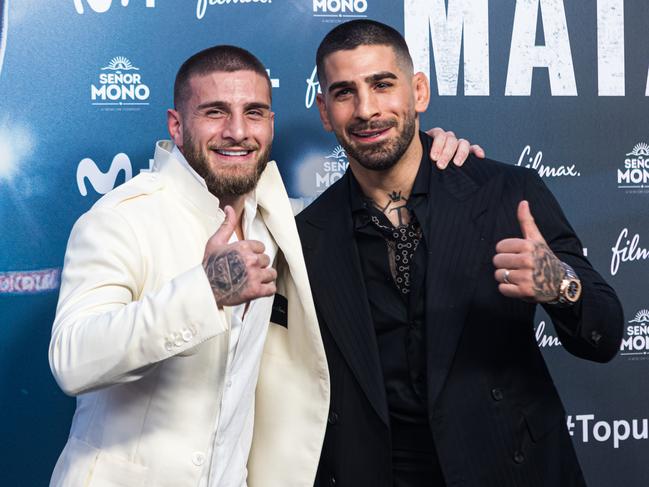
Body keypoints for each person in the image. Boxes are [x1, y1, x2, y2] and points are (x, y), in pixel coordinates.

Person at [48, 45, 477, 487]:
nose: (237, 131)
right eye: (215, 112)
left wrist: (430, 154)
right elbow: (72, 360)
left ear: (270, 124)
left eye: (254, 113)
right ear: (177, 126)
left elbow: (380, 188)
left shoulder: (284, 220)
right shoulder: (122, 217)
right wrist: (206, 290)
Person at [297, 19, 624, 487]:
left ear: (419, 93)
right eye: (344, 92)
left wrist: (562, 287)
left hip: (510, 468)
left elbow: (607, 333)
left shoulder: (506, 193)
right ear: (325, 111)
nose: (366, 109)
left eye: (382, 85)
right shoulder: (308, 235)